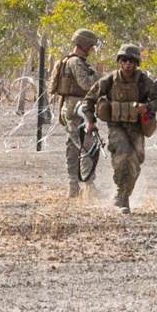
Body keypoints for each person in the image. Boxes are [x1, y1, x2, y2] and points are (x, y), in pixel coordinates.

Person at [83, 44, 157, 214]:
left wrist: (147, 106)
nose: (127, 64)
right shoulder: (110, 80)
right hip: (116, 126)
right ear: (120, 61)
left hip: (136, 127)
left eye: (131, 61)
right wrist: (91, 121)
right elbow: (89, 99)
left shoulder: (143, 81)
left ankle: (125, 196)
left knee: (134, 164)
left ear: (136, 63)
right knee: (122, 156)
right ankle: (120, 195)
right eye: (124, 60)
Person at [57, 29, 101, 198]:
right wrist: (97, 73)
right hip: (76, 110)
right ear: (83, 45)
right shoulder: (75, 62)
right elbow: (85, 84)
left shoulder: (70, 61)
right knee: (86, 147)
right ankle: (89, 188)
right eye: (90, 46)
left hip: (72, 108)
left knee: (73, 148)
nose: (91, 50)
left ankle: (73, 188)